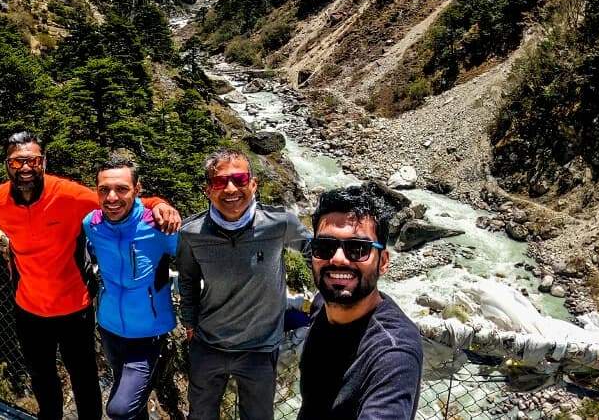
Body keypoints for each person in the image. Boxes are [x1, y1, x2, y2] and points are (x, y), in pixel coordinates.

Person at [0, 131, 181, 420]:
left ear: (44, 163)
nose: (25, 168)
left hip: (74, 305)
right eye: (17, 162)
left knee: (83, 377)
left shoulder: (69, 195)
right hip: (27, 304)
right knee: (41, 375)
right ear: (6, 165)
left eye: (33, 161)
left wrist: (159, 203)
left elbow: (118, 200)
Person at [177, 147, 312, 420]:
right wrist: (190, 323)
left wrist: (331, 297)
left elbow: (314, 251)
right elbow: (188, 279)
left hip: (260, 347)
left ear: (253, 184)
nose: (230, 189)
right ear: (208, 189)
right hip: (209, 343)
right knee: (201, 415)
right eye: (220, 181)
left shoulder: (278, 222)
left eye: (239, 180)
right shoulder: (192, 233)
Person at [298, 185, 423, 420]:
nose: (338, 258)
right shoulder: (321, 306)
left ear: (383, 262)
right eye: (325, 247)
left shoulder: (393, 353)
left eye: (358, 248)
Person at [82, 156, 177, 420]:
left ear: (137, 189)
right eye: (104, 190)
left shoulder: (158, 226)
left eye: (122, 189)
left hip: (148, 334)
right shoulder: (92, 224)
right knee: (133, 408)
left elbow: (193, 262)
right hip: (110, 327)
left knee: (119, 409)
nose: (112, 197)